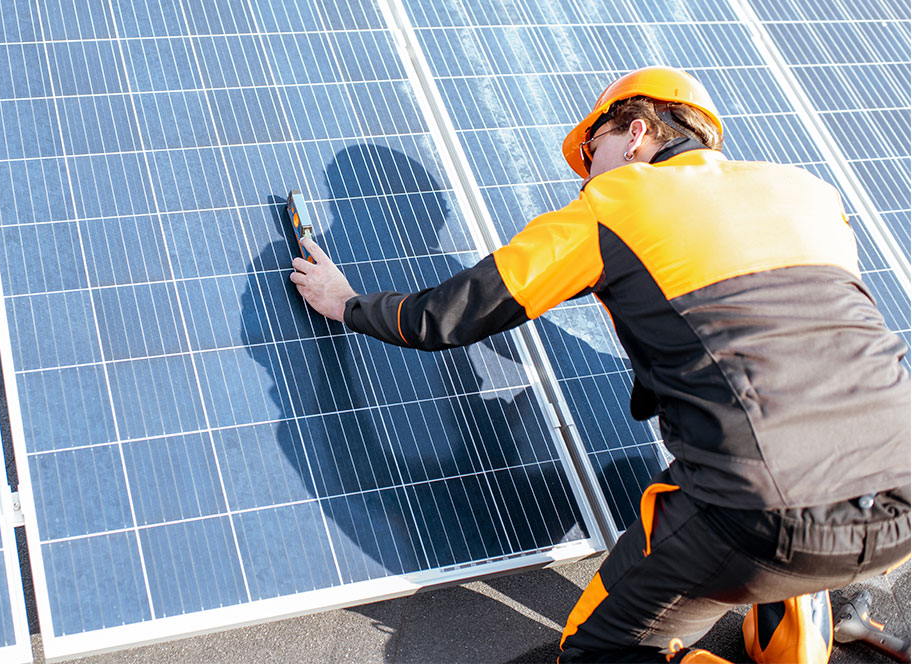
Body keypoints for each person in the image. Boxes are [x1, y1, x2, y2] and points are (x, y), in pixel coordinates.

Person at [287, 66, 911, 663]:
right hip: (901, 495)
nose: (586, 174)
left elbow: (449, 315)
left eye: (592, 151)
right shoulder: (808, 193)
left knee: (599, 651)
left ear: (636, 132)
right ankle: (799, 644)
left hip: (761, 517)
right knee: (805, 460)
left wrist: (347, 304)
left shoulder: (613, 202)